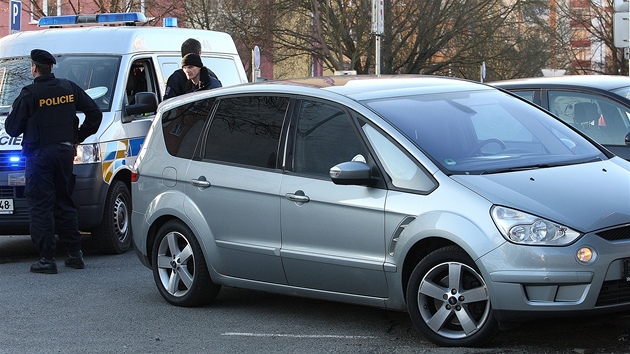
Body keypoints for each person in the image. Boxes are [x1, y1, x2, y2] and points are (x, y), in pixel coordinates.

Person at [5, 49, 102, 274]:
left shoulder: (29, 94)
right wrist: (77, 136)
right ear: (51, 68)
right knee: (64, 202)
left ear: (34, 68)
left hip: (39, 157)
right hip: (65, 153)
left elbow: (12, 128)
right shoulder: (69, 88)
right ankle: (75, 255)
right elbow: (94, 113)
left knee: (41, 207)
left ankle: (47, 259)